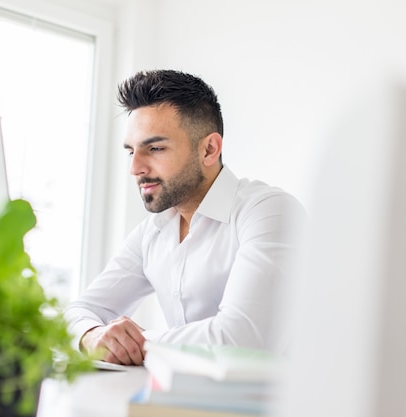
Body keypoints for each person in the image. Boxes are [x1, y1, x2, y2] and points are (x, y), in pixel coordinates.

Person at [63, 69, 306, 366]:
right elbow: (81, 309)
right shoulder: (151, 233)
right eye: (131, 152)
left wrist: (139, 341)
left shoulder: (269, 211)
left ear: (209, 149)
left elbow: (241, 340)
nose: (135, 168)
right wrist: (91, 334)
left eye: (154, 148)